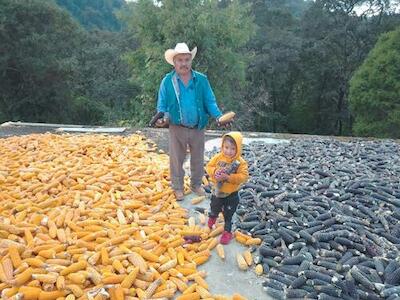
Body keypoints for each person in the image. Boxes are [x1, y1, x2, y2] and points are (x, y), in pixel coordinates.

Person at [156, 42, 223, 201]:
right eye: (180, 60)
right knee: (176, 159)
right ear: (174, 62)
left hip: (197, 126)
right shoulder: (167, 81)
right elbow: (162, 104)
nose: (184, 63)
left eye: (187, 60)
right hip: (177, 126)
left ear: (190, 61)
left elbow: (210, 101)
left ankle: (196, 184)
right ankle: (177, 187)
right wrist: (163, 117)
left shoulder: (201, 79)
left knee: (198, 158)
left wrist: (218, 116)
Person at [205, 132, 249, 244]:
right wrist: (214, 172)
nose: (228, 151)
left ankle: (227, 232)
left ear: (238, 148)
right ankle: (212, 217)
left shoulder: (240, 163)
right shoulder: (218, 157)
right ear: (222, 146)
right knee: (214, 208)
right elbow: (209, 166)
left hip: (231, 194)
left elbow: (243, 177)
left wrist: (228, 177)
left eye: (232, 149)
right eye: (226, 147)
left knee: (228, 215)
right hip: (217, 192)